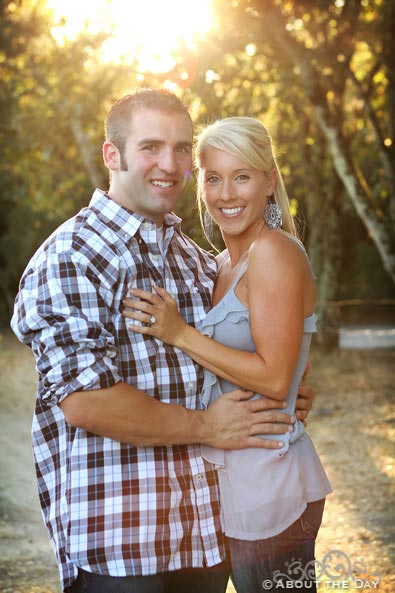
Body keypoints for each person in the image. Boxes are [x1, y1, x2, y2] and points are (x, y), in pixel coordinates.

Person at [10, 91, 315, 593]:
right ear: (114, 155)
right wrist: (207, 426)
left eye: (181, 149)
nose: (169, 165)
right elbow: (86, 403)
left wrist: (286, 389)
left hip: (206, 536)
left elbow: (247, 352)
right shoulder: (73, 255)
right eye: (151, 146)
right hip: (125, 544)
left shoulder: (195, 259)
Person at [122, 116, 332, 593]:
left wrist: (179, 334)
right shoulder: (217, 265)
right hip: (231, 481)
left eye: (242, 176)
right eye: (214, 178)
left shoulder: (275, 253)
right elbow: (295, 364)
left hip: (272, 480)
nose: (227, 194)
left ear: (269, 181)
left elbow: (277, 378)